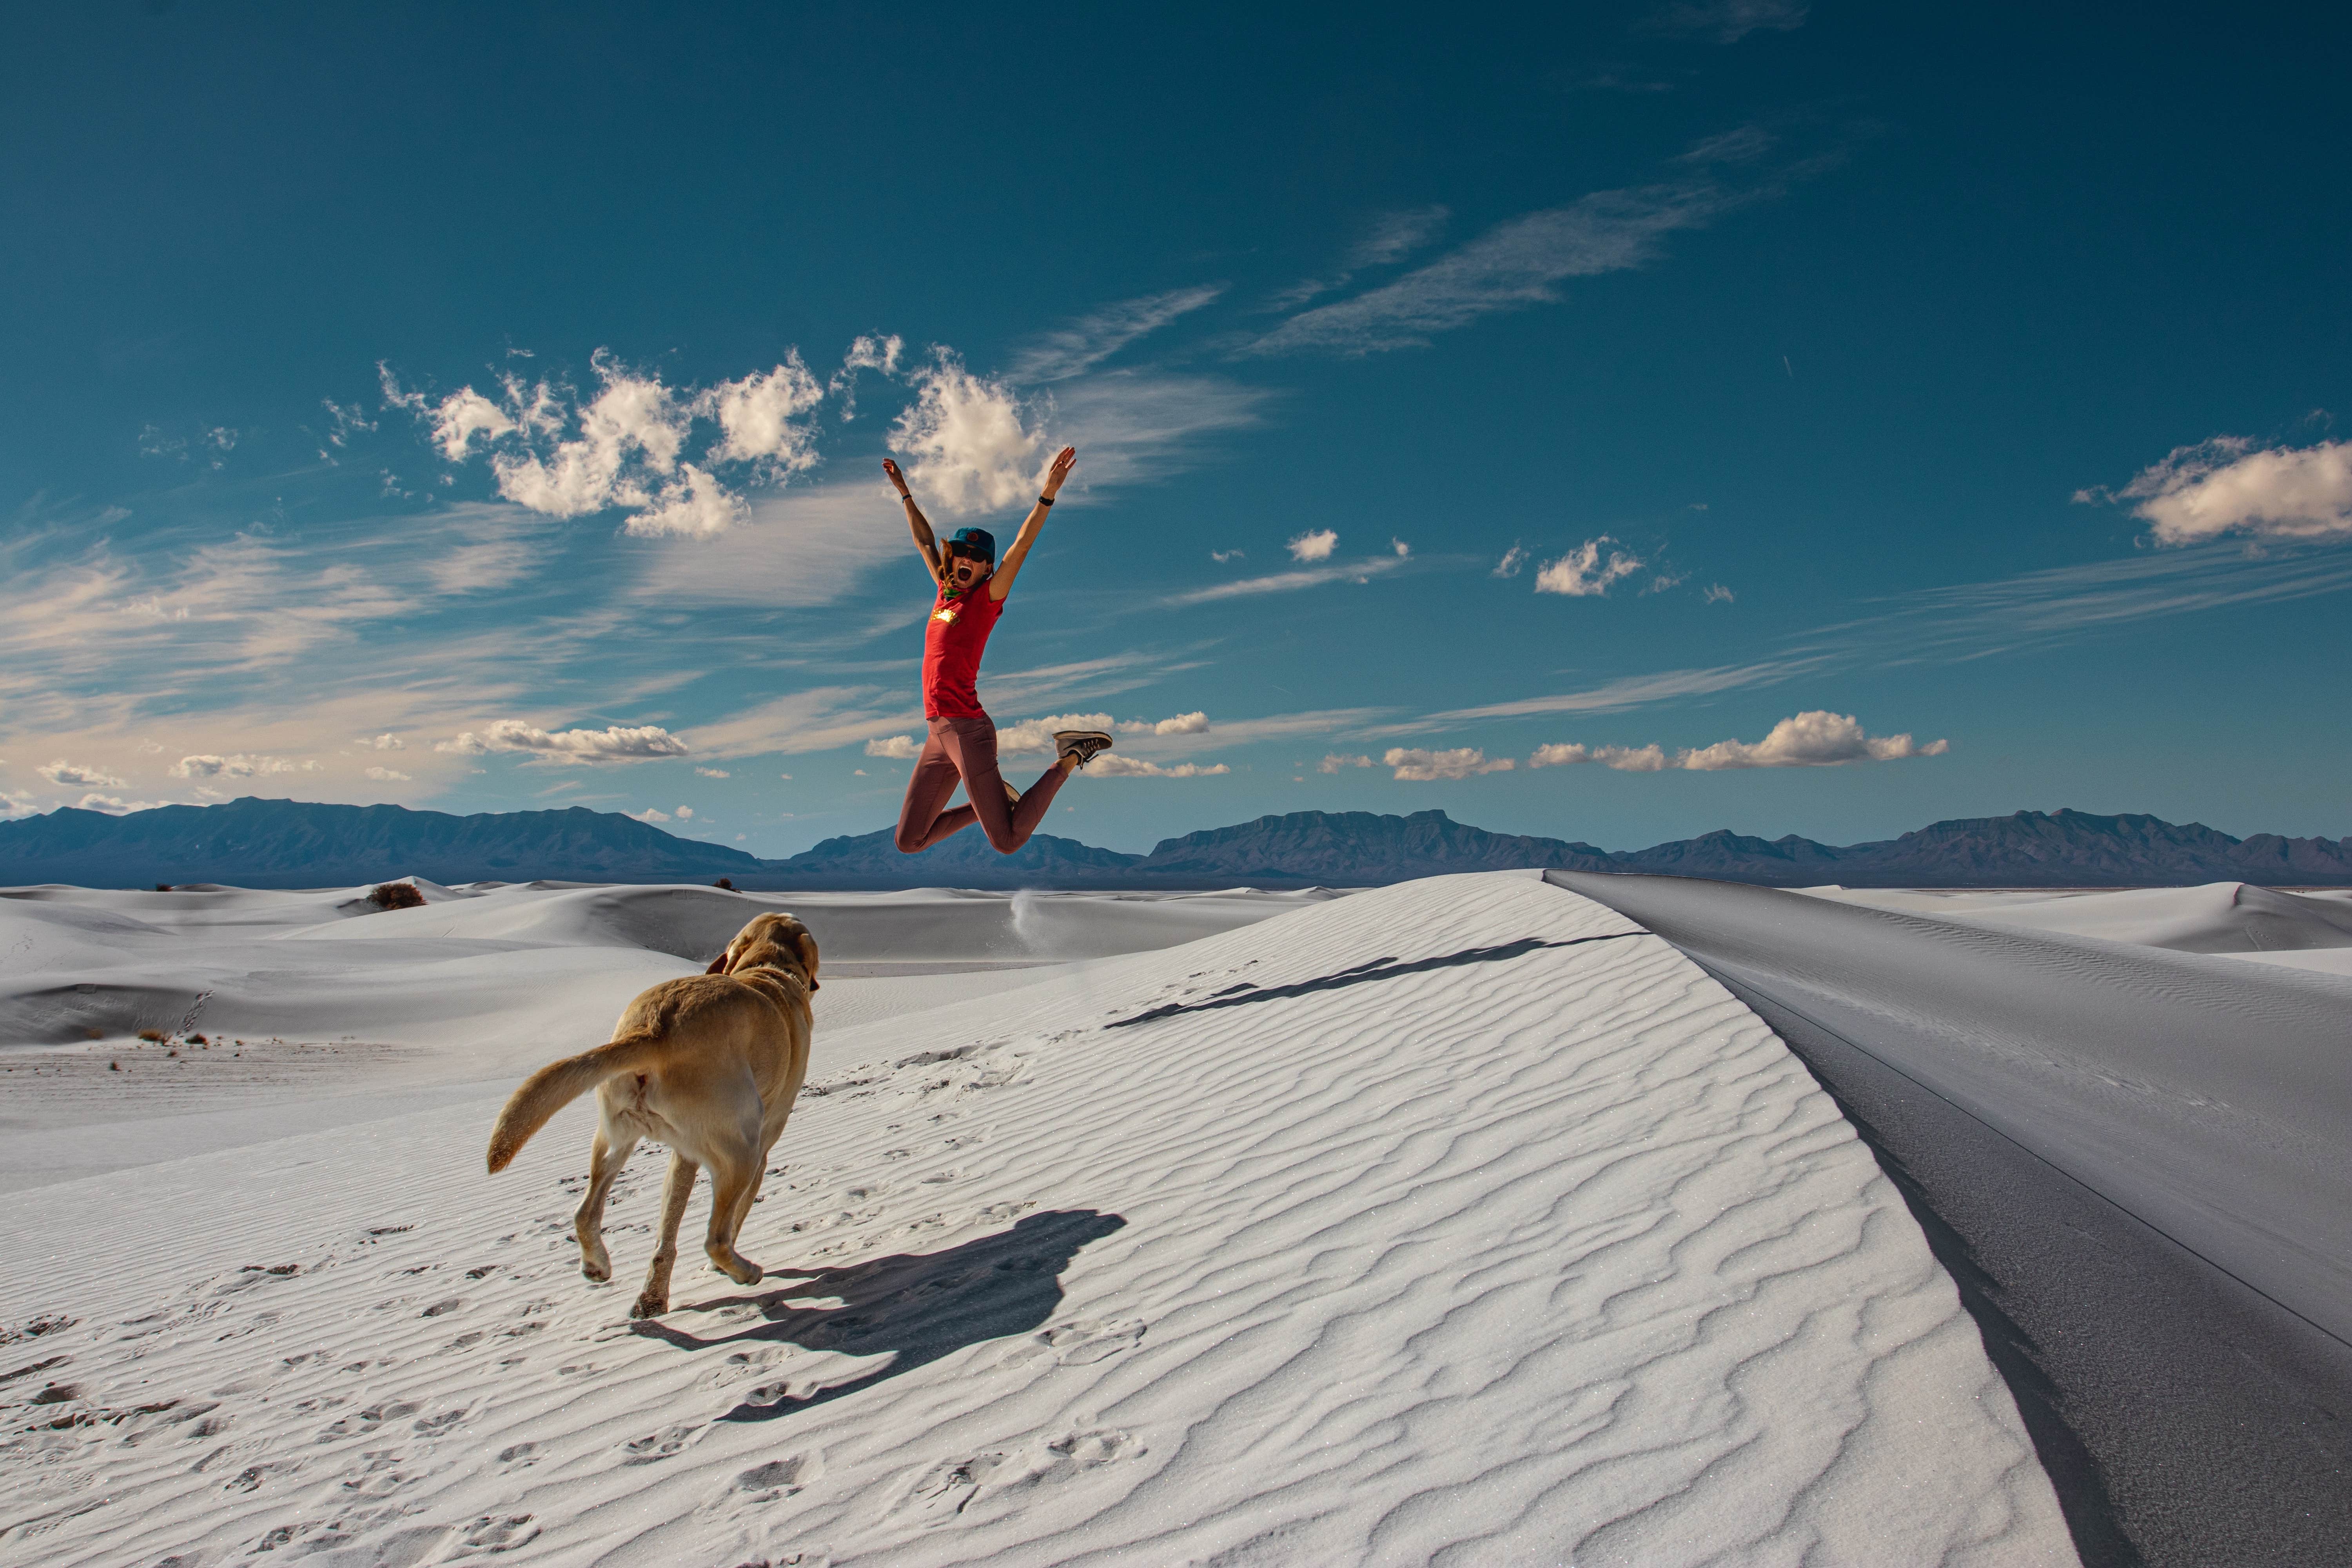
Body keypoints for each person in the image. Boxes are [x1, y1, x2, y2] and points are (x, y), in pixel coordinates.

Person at [886, 446, 1112, 856]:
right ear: (953, 560)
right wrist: (905, 493)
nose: (968, 560)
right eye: (962, 554)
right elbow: (923, 540)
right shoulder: (944, 592)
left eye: (979, 557)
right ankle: (990, 799)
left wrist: (1047, 495)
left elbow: (1021, 548)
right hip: (938, 732)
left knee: (1007, 841)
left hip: (967, 730)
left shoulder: (985, 600)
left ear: (988, 569)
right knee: (909, 840)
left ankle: (1070, 755)